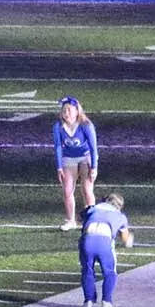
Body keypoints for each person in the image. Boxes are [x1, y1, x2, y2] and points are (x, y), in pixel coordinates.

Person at [79, 192, 133, 307]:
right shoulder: (120, 215)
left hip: (86, 240)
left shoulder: (93, 208)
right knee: (110, 272)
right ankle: (106, 301)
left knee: (87, 270)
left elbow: (81, 216)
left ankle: (88, 301)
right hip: (103, 241)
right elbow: (125, 240)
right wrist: (129, 239)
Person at [54, 95, 98, 231]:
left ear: (77, 111)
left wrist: (94, 167)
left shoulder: (86, 125)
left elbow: (93, 146)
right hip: (68, 158)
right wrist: (59, 167)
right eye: (64, 110)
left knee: (86, 189)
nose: (66, 113)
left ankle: (91, 221)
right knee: (67, 191)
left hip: (85, 157)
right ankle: (70, 220)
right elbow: (58, 147)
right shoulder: (58, 126)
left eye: (69, 110)